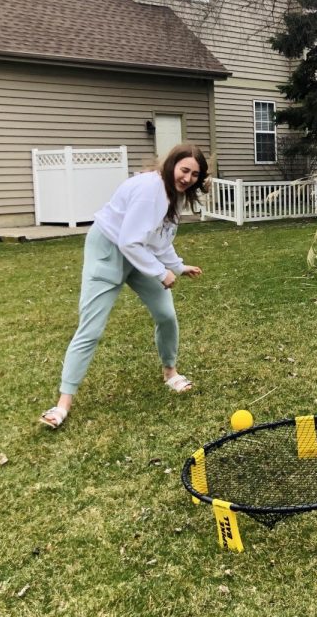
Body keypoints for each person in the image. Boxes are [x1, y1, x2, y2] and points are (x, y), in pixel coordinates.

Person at [39, 143, 209, 429]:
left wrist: (178, 266)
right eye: (184, 170)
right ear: (171, 165)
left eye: (195, 174)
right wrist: (160, 272)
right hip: (108, 251)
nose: (188, 178)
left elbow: (159, 239)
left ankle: (171, 373)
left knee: (166, 315)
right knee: (90, 328)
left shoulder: (174, 195)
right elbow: (129, 240)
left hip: (139, 256)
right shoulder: (149, 191)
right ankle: (62, 404)